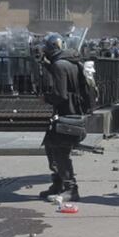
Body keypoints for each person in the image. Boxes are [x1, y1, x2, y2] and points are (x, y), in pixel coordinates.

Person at [38, 33, 85, 202]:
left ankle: (71, 189)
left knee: (60, 152)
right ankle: (58, 184)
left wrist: (46, 98)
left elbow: (60, 94)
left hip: (65, 113)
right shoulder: (71, 62)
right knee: (51, 147)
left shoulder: (59, 65)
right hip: (74, 110)